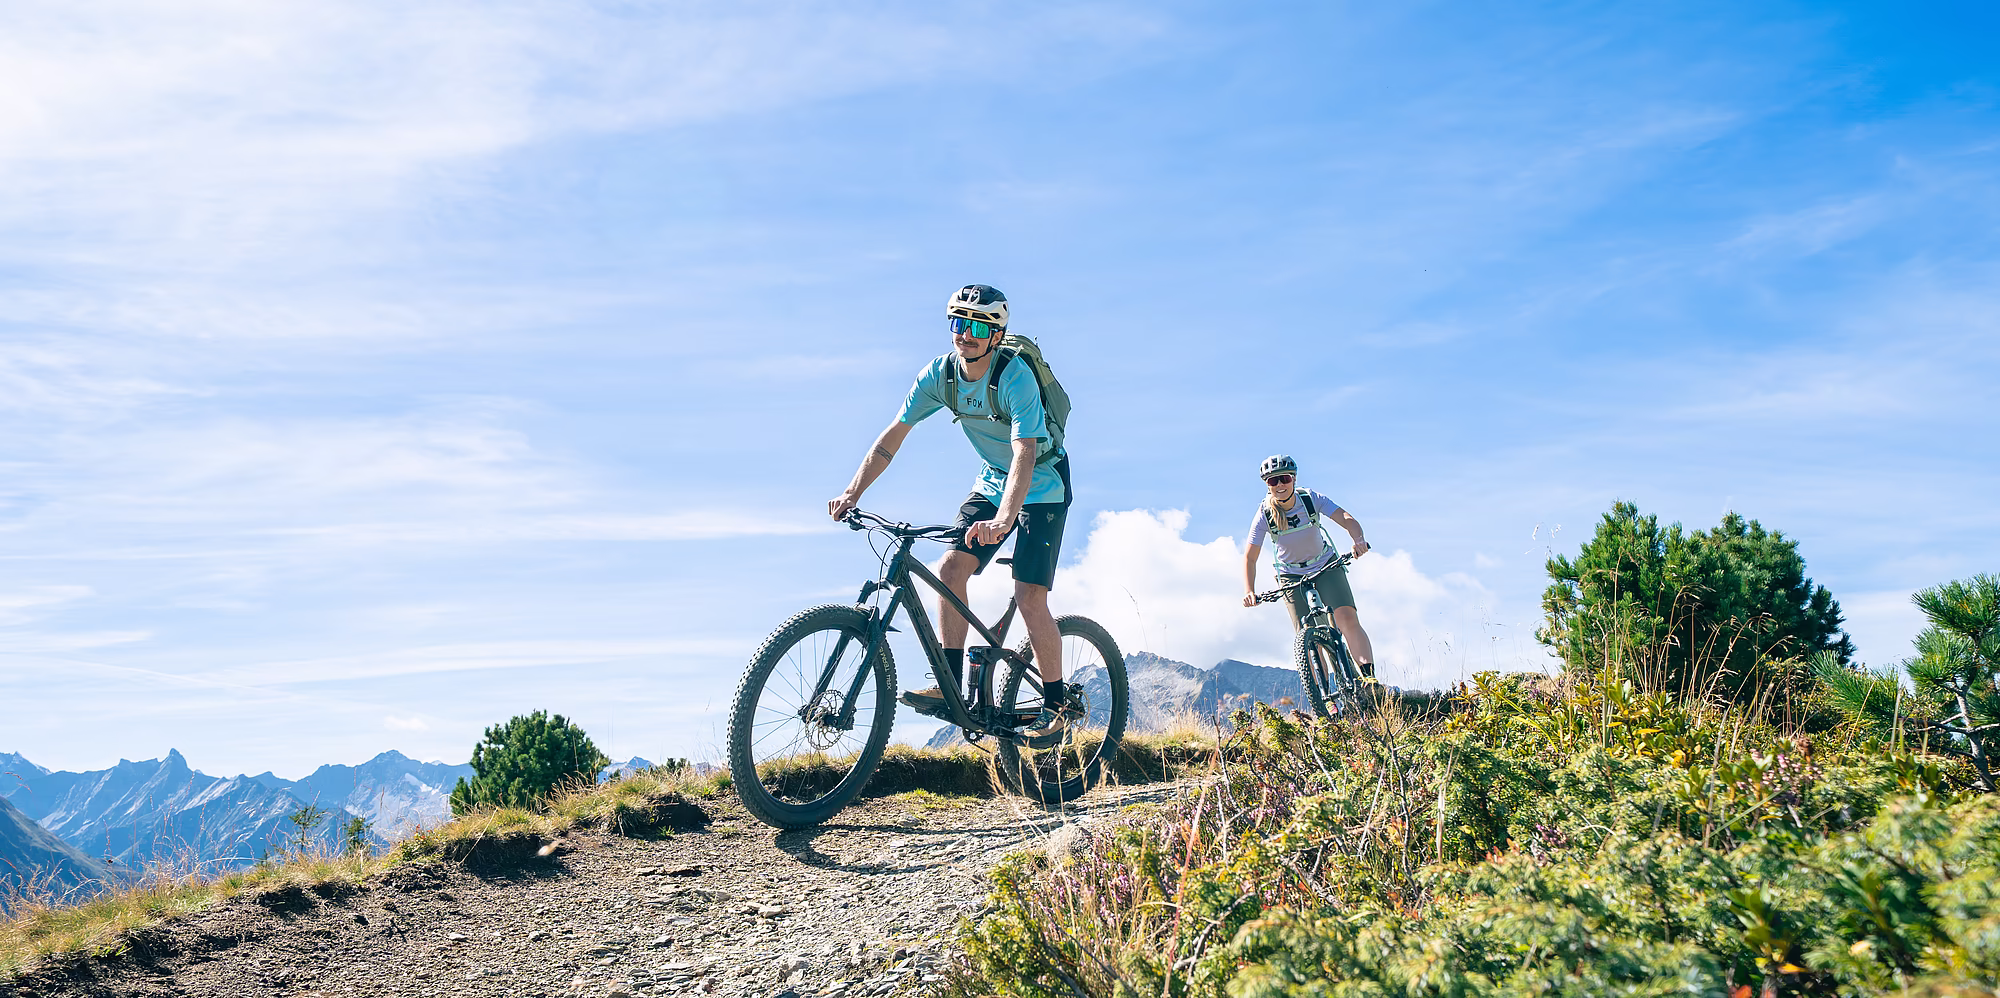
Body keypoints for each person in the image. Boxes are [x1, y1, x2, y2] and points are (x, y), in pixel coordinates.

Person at [828, 284, 1079, 728]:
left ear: (996, 335)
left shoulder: (1015, 377)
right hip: (992, 481)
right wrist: (853, 492)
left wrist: (1004, 519)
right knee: (949, 568)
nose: (966, 335)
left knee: (1029, 596)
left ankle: (1057, 705)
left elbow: (1024, 452)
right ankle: (950, 685)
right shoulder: (940, 376)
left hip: (1042, 485)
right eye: (959, 323)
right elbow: (893, 435)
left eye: (978, 328)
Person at [1239, 454, 1378, 678]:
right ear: (1267, 485)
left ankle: (1369, 678)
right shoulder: (1264, 514)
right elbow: (1250, 557)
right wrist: (1249, 591)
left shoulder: (1310, 499)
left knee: (1346, 617)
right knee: (1306, 635)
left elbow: (1346, 518)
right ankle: (1323, 694)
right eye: (1273, 481)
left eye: (1284, 478)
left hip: (1325, 565)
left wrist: (1358, 540)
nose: (1280, 485)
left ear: (1294, 479)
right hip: (1291, 575)